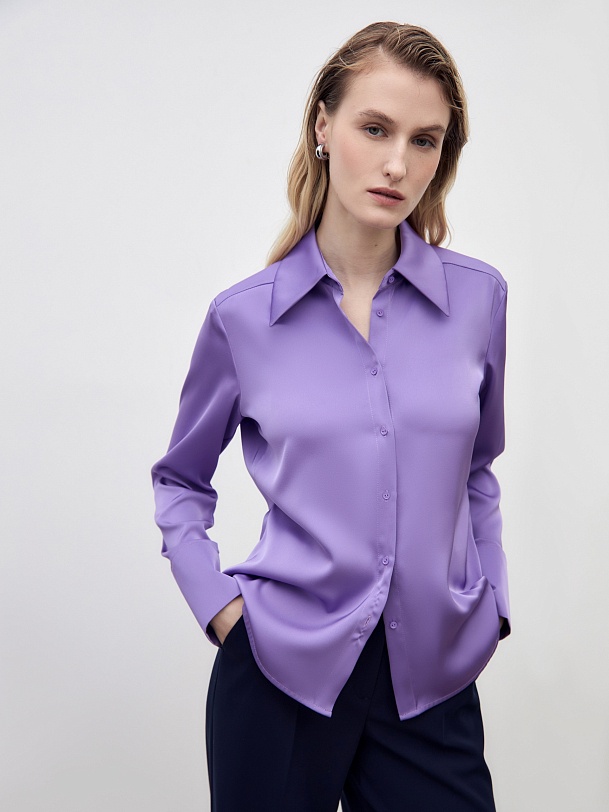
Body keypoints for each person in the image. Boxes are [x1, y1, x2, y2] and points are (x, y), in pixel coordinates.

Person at [151, 20, 510, 812]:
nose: (397, 164)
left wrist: (492, 606)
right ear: (322, 125)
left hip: (429, 681)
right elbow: (179, 481)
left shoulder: (478, 300)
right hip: (279, 672)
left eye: (424, 141)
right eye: (374, 128)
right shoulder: (243, 320)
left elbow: (476, 470)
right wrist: (223, 614)